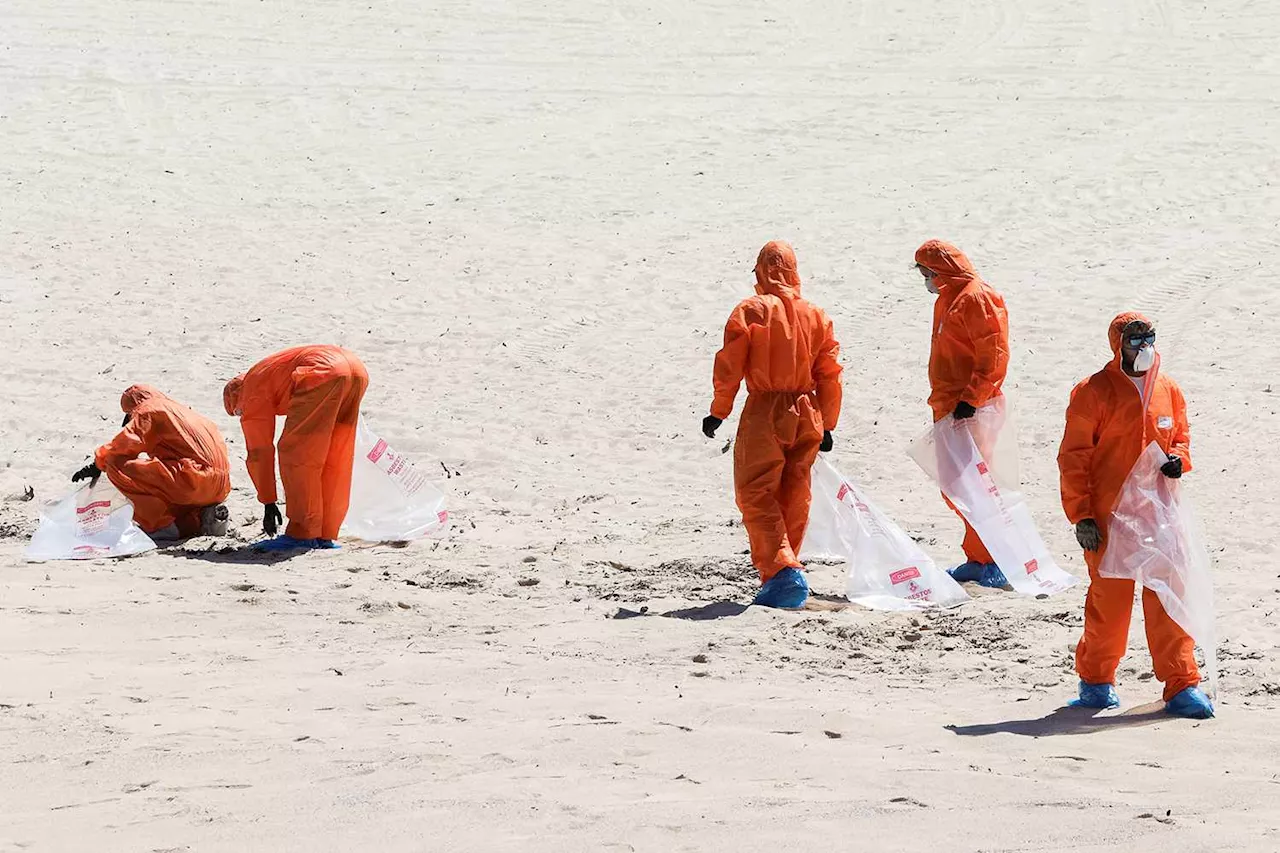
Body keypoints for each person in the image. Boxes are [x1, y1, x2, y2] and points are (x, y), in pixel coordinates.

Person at [1058, 312, 1213, 719]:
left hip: (1159, 514)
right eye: (1133, 339)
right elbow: (1074, 457)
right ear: (1117, 344)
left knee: (1168, 600)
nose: (1142, 346)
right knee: (1108, 605)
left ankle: (1182, 685)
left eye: (1148, 337)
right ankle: (1096, 683)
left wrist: (1179, 458)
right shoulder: (1093, 392)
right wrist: (1082, 515)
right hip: (1109, 516)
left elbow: (1179, 435)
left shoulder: (1168, 389)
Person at [703, 241, 842, 608]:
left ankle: (782, 572)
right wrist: (828, 423)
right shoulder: (816, 314)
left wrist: (720, 410)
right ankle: (786, 567)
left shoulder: (750, 310)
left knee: (756, 491)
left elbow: (729, 366)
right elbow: (829, 372)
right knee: (795, 493)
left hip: (766, 410)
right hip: (807, 409)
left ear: (761, 272)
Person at [914, 239, 1010, 588]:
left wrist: (973, 397)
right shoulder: (950, 298)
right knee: (957, 485)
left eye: (928, 273)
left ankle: (992, 559)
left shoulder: (976, 297)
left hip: (970, 407)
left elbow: (994, 353)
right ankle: (979, 556)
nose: (926, 280)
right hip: (951, 404)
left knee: (975, 485)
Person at [222, 345, 369, 551]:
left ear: (238, 399)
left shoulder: (250, 391)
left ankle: (303, 532)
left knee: (297, 454)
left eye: (239, 412)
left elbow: (259, 451)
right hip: (356, 370)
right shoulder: (264, 373)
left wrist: (268, 502)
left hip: (321, 373)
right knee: (335, 454)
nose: (243, 415)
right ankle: (326, 533)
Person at [72, 384, 231, 539]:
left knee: (114, 463)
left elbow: (124, 444)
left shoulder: (148, 409)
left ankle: (160, 525)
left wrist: (98, 463)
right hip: (220, 486)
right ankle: (205, 518)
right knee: (162, 477)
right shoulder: (183, 411)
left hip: (193, 480)